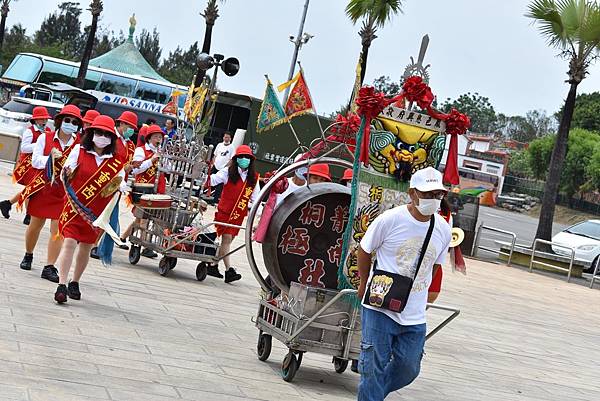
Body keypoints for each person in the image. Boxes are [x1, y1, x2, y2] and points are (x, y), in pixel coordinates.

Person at [356, 167, 451, 400]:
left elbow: (434, 265)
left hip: (414, 312)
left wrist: (423, 291)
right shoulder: (389, 220)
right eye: (427, 194)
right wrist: (363, 284)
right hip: (380, 305)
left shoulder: (443, 229)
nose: (433, 200)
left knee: (409, 367)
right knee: (372, 366)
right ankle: (372, 393)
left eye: (438, 195)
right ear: (412, 193)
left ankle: (375, 392)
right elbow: (364, 250)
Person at [54, 115, 125, 303]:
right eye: (98, 132)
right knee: (69, 242)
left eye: (106, 134)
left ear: (112, 138)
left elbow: (121, 182)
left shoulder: (116, 161)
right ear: (91, 133)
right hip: (75, 207)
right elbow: (66, 170)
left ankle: (75, 282)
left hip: (97, 213)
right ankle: (61, 285)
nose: (102, 136)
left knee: (85, 247)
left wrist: (122, 187)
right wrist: (65, 173)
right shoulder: (79, 150)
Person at [17, 104, 82, 282]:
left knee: (58, 229)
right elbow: (35, 161)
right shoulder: (45, 138)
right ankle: (28, 254)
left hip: (63, 192)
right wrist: (51, 159)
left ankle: (49, 265)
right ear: (60, 121)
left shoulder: (79, 144)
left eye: (74, 122)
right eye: (67, 120)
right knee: (35, 225)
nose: (70, 124)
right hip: (44, 188)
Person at [207, 144, 259, 283]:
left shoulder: (253, 178)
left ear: (251, 160)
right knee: (226, 240)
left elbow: (256, 198)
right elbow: (213, 180)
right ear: (236, 159)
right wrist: (204, 171)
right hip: (225, 212)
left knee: (228, 242)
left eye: (247, 157)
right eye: (241, 157)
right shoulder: (227, 172)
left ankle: (212, 264)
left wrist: (256, 215)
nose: (244, 159)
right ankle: (229, 270)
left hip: (239, 214)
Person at [119, 125, 166, 258]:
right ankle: (145, 246)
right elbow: (135, 170)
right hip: (143, 188)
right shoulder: (141, 150)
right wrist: (151, 160)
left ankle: (123, 236)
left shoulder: (161, 151)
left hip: (157, 189)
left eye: (160, 137)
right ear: (149, 138)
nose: (159, 139)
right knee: (143, 218)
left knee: (141, 218)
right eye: (156, 136)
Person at [0, 106, 53, 225]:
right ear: (35, 120)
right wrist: (39, 145)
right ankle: (28, 215)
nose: (44, 121)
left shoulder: (48, 130)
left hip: (39, 164)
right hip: (28, 164)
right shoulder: (30, 131)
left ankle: (8, 203)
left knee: (33, 189)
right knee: (32, 189)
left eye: (45, 118)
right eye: (41, 119)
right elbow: (24, 147)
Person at [428, 198, 453, 304]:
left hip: (434, 259)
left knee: (430, 296)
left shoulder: (446, 213)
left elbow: (447, 239)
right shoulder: (414, 208)